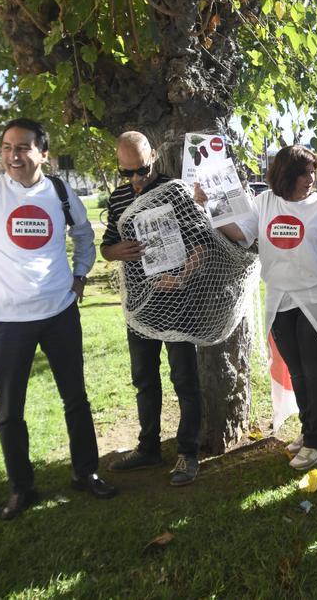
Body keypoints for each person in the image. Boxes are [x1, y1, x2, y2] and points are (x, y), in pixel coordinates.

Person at [0, 118, 117, 521]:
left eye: (23, 147)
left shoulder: (61, 192)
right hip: (8, 318)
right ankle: (21, 488)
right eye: (7, 148)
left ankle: (86, 472)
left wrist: (81, 274)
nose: (14, 156)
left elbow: (84, 236)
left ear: (43, 154)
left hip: (59, 311)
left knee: (76, 398)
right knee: (9, 409)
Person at [229, 145, 317, 470]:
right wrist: (211, 212)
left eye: (313, 172)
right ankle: (308, 428)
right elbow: (240, 233)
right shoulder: (264, 203)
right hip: (280, 299)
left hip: (315, 297)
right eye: (304, 173)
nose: (311, 179)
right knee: (298, 371)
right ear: (286, 176)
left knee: (315, 371)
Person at [101, 131, 202, 486]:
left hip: (177, 300)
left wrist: (180, 277)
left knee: (184, 379)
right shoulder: (117, 199)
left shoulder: (176, 191)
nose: (135, 180)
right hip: (139, 304)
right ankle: (148, 449)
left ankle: (188, 454)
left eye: (141, 171)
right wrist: (118, 252)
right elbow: (106, 247)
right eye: (126, 173)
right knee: (144, 378)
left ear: (154, 157)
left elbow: (203, 243)